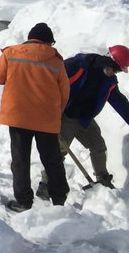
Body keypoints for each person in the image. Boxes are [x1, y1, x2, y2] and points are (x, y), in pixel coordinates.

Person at [0, 22, 70, 211]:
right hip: (46, 120)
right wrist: (56, 114)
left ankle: (24, 202)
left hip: (18, 117)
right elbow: (65, 93)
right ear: (49, 42)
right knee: (52, 160)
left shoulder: (11, 54)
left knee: (20, 160)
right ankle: (59, 201)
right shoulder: (56, 61)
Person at [37, 45, 129, 197]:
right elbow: (52, 81)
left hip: (85, 119)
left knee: (98, 146)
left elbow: (120, 103)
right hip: (66, 116)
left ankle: (103, 179)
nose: (116, 73)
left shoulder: (109, 80)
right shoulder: (80, 65)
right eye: (117, 69)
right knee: (58, 152)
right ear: (109, 62)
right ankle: (46, 185)